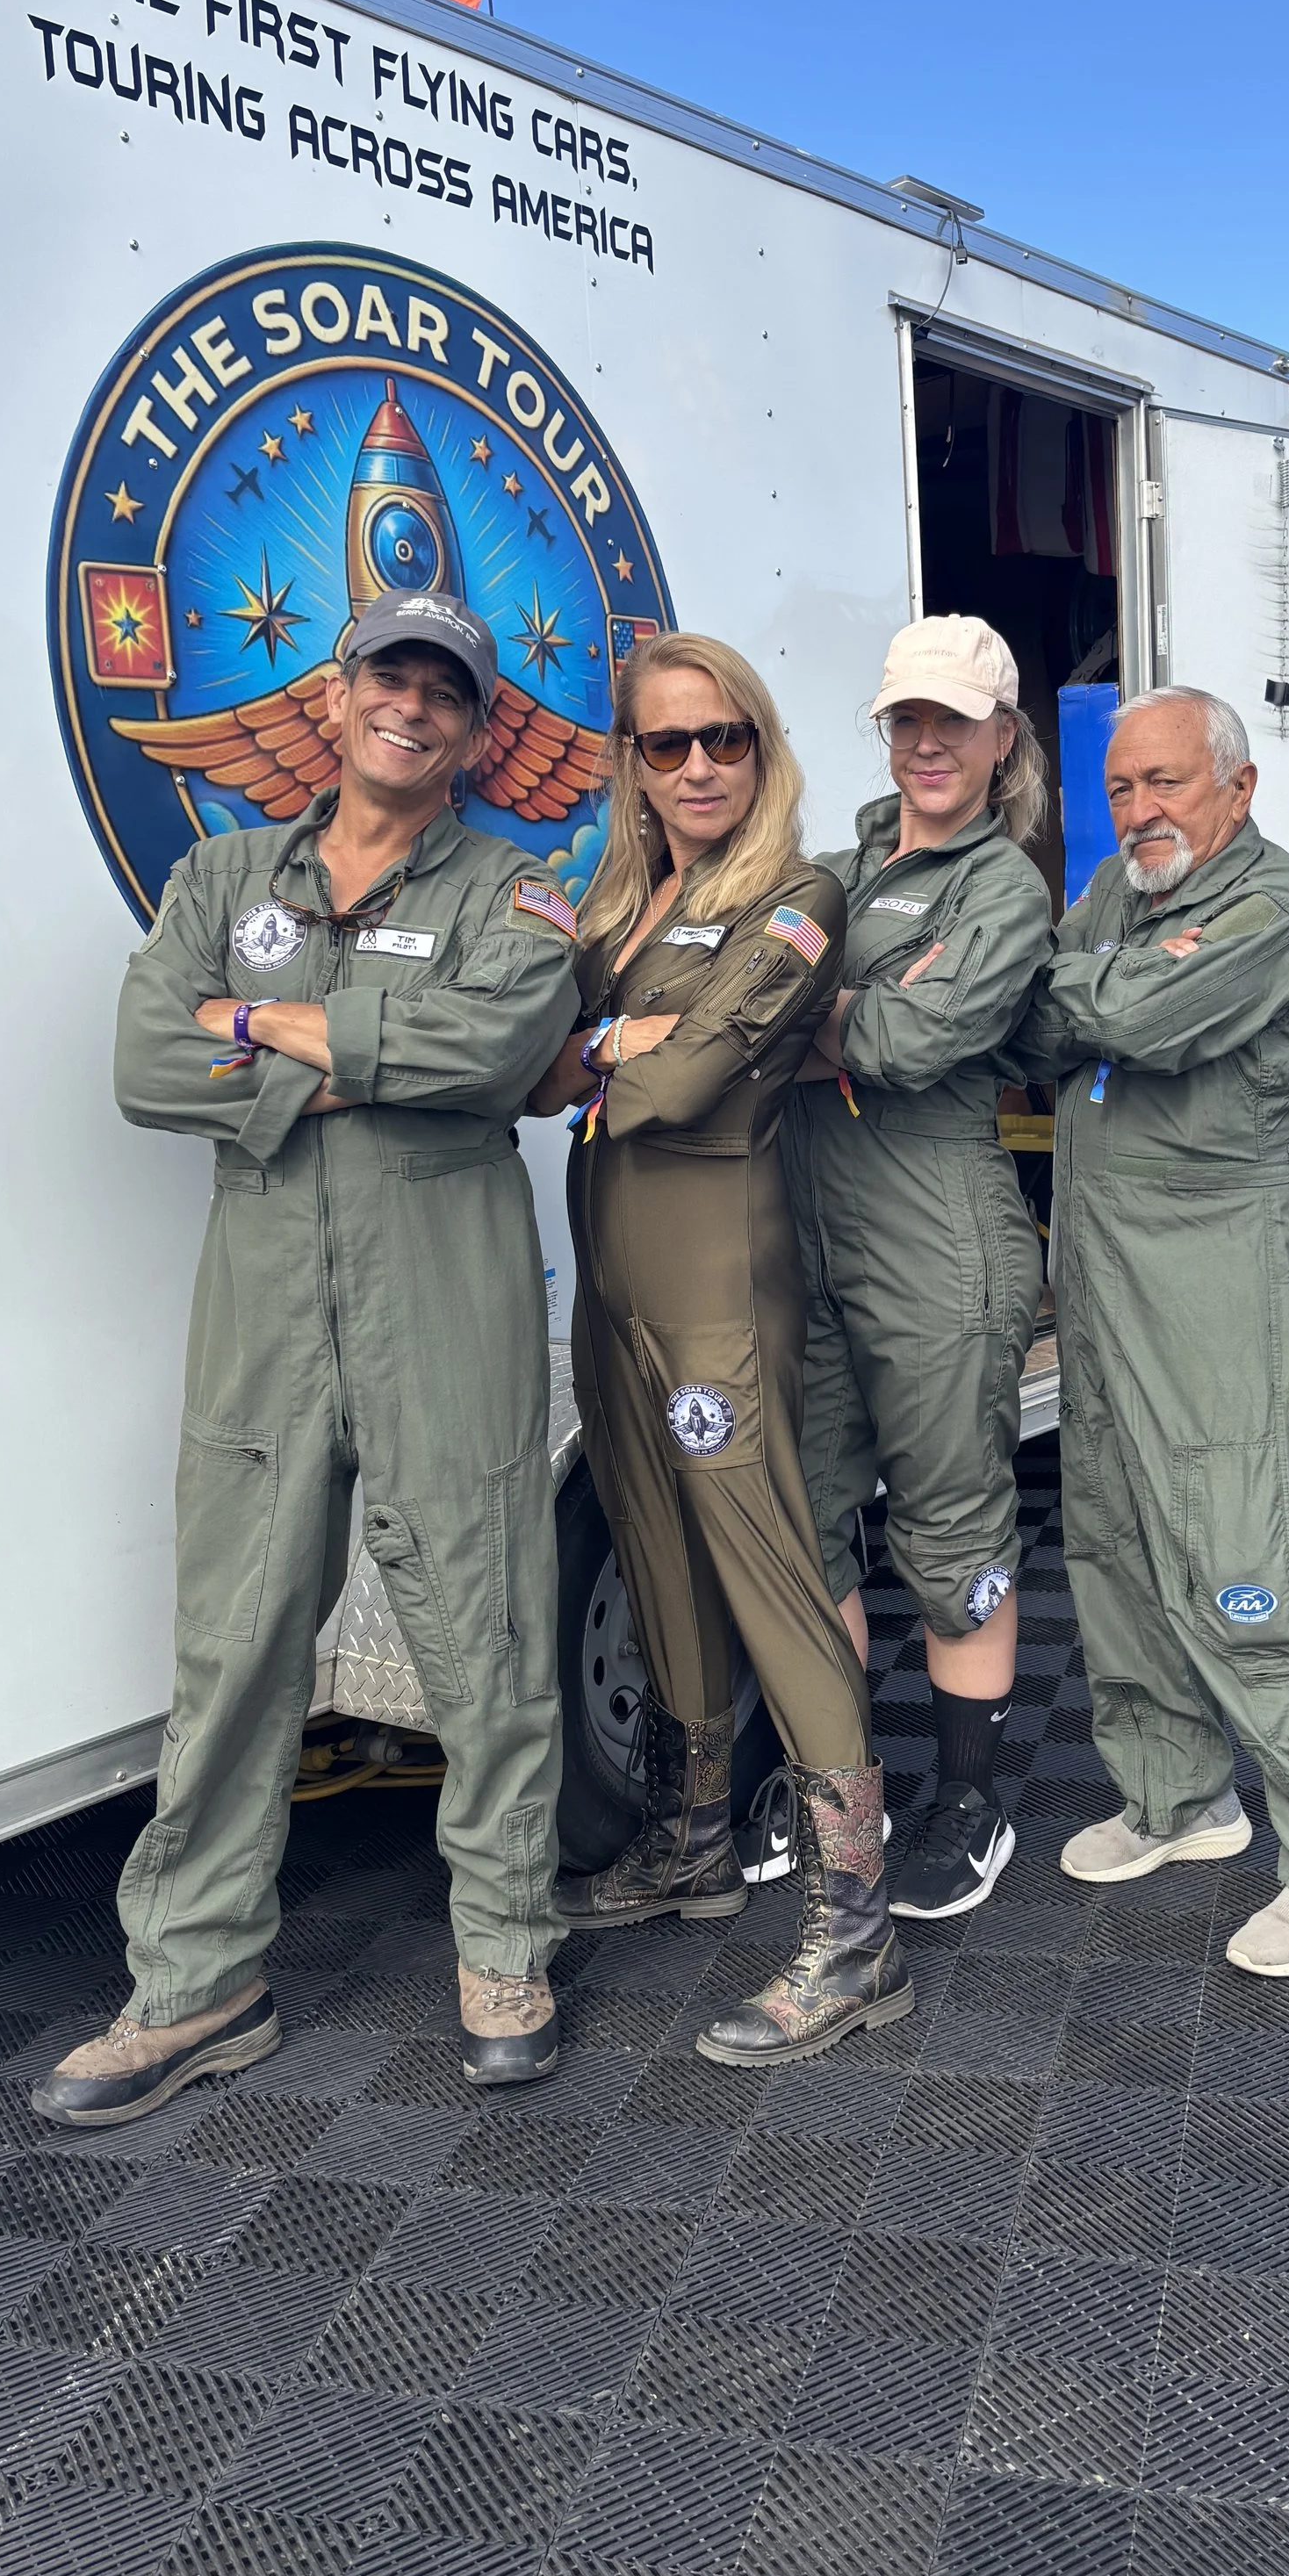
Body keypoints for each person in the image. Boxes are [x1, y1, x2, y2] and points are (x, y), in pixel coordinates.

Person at [34, 590, 580, 2124]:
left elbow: (492, 1055)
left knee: (485, 1628)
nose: (412, 706)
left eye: (445, 693)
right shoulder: (222, 874)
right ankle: (196, 1984)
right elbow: (149, 1066)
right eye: (387, 678)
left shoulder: (515, 892)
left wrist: (268, 1027)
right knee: (233, 1642)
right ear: (335, 701)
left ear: (476, 732)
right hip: (267, 1297)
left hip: (444, 1289)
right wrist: (354, 1050)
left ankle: (504, 1946)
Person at [531, 632, 914, 2065]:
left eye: (725, 739)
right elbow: (525, 1061)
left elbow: (683, 1080)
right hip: (614, 1287)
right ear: (632, 762)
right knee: (649, 1545)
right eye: (666, 743)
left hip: (715, 1294)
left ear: (763, 749)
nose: (698, 766)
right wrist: (620, 1037)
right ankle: (689, 1839)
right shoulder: (630, 903)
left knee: (765, 1569)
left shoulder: (801, 898)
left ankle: (855, 1928)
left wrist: (609, 1046)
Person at [1017, 687, 1289, 1975]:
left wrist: (1081, 991)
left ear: (1237, 788)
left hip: (1223, 1274)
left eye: (1168, 782)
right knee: (1117, 1533)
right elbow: (1044, 1010)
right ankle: (1180, 1802)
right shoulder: (1122, 903)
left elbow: (1111, 1017)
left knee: (1248, 1547)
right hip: (1110, 1273)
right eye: (1123, 788)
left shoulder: (1275, 912)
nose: (1141, 811)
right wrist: (1082, 986)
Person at [778, 615, 1053, 1918]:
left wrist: (806, 1013)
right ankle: (846, 1796)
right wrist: (825, 1013)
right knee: (809, 1522)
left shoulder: (1003, 891)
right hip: (815, 1233)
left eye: (954, 720)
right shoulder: (837, 868)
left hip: (941, 1233)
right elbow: (766, 996)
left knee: (950, 1527)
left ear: (1003, 740)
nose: (928, 742)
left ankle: (970, 1798)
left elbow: (897, 1045)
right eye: (907, 720)